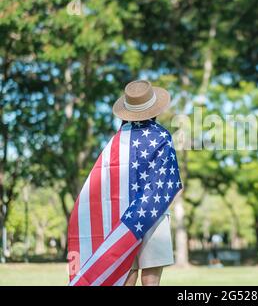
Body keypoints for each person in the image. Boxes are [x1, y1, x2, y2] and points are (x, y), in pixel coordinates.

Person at [67, 80, 182, 286]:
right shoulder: (162, 136)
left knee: (126, 276)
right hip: (154, 212)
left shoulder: (117, 140)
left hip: (123, 217)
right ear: (154, 108)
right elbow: (168, 181)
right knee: (151, 279)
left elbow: (104, 180)